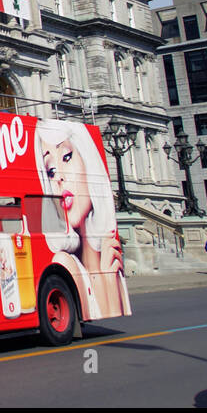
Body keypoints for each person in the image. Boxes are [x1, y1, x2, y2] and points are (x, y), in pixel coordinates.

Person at [35, 119, 130, 318]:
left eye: (67, 157)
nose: (59, 177)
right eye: (50, 171)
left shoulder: (109, 254)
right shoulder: (65, 261)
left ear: (88, 160)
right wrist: (111, 287)